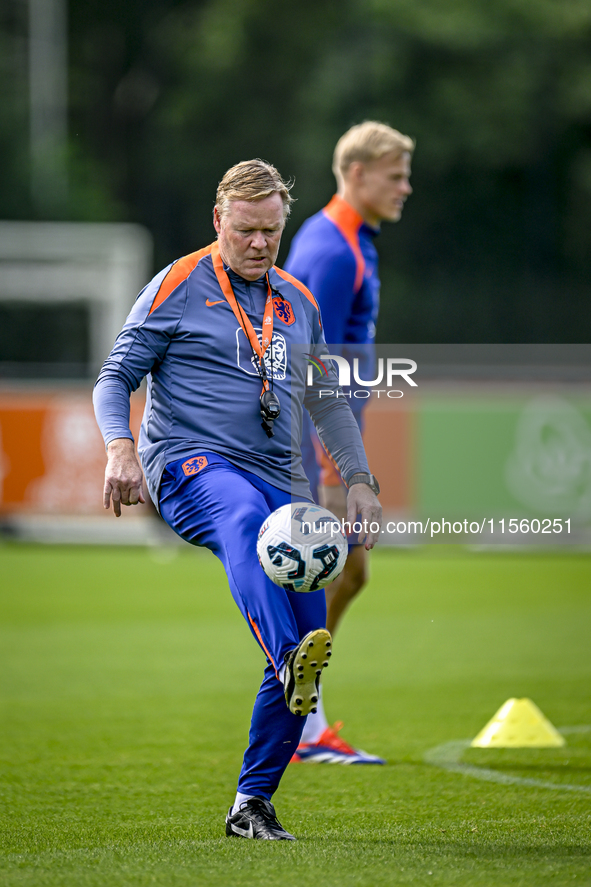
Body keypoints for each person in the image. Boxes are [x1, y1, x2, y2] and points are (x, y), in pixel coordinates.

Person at [93, 159, 382, 841]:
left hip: (283, 481)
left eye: (271, 233)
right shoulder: (175, 285)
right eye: (246, 230)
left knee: (312, 624)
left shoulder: (297, 303)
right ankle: (288, 656)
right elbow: (115, 377)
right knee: (247, 529)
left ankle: (251, 802)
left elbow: (325, 401)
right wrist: (119, 447)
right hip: (191, 467)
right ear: (218, 220)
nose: (258, 244)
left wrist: (361, 478)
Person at [284, 122, 413, 764]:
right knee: (339, 570)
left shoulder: (351, 240)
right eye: (395, 176)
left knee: (348, 571)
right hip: (319, 445)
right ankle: (300, 718)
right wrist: (335, 463)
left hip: (333, 440)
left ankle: (302, 710)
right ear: (357, 173)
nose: (406, 188)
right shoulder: (331, 250)